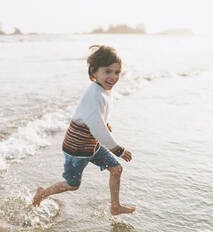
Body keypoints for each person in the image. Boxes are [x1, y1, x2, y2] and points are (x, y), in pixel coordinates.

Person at [32, 45, 135, 215]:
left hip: (91, 144)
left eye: (117, 72)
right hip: (78, 147)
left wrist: (105, 124)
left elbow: (94, 118)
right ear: (94, 72)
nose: (113, 77)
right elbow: (96, 125)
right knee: (73, 185)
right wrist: (118, 150)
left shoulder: (103, 90)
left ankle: (115, 206)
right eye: (108, 71)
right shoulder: (95, 93)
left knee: (116, 169)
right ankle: (41, 194)